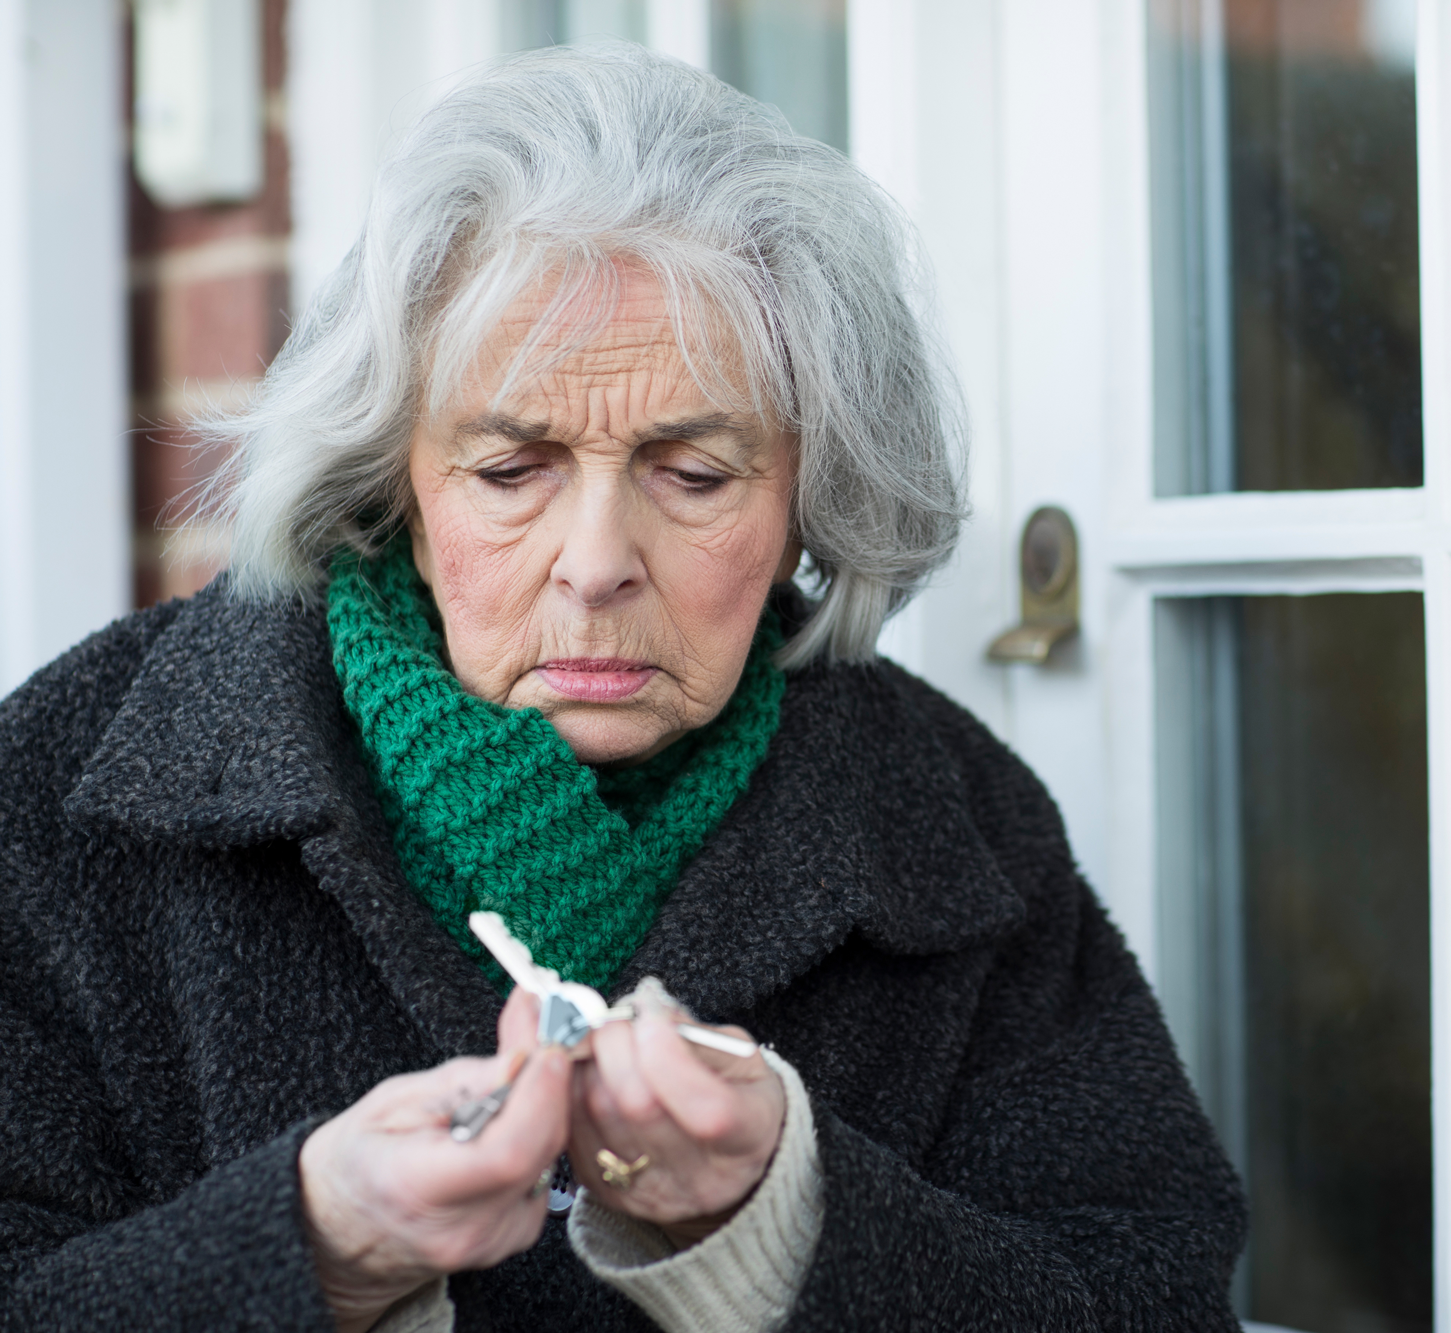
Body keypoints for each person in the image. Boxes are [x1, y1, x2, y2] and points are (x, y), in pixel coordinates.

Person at [0, 44, 1244, 1332]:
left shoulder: (955, 822)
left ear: (811, 498)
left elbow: (1152, 1296)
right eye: (509, 470)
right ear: (397, 481)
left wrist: (784, 1221)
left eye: (695, 475)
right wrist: (316, 1247)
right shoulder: (65, 792)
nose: (595, 567)